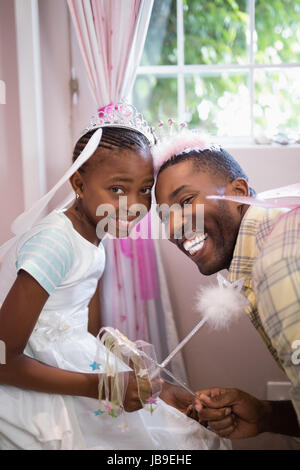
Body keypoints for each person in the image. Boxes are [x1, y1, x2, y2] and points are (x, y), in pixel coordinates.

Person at [0, 108, 228, 450]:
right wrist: (104, 387)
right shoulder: (54, 245)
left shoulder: (95, 236)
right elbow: (3, 359)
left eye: (145, 190)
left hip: (78, 372)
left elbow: (85, 332)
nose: (134, 205)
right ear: (79, 184)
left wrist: (153, 387)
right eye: (117, 189)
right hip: (39, 398)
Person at [154, 131, 300, 440]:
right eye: (164, 216)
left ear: (237, 192)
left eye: (186, 201)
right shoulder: (278, 234)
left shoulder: (278, 267)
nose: (174, 226)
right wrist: (265, 415)